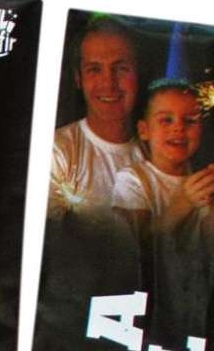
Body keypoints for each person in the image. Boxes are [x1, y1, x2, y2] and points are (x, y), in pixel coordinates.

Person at [111, 79, 214, 243]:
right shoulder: (132, 179)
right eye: (166, 120)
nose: (179, 128)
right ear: (144, 130)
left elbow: (213, 248)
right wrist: (185, 201)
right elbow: (137, 242)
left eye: (190, 121)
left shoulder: (202, 179)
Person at [50, 17, 145, 217]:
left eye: (121, 68)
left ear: (138, 74)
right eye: (94, 69)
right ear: (78, 78)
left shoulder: (161, 150)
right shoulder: (58, 152)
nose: (108, 83)